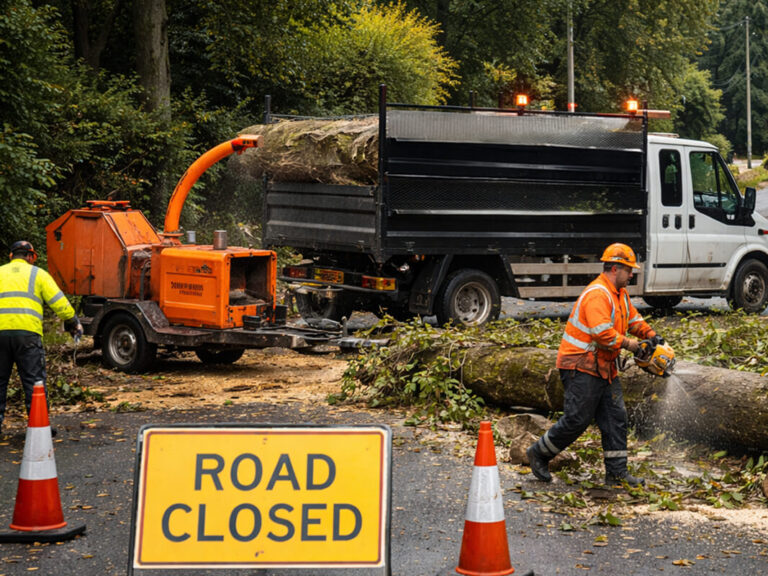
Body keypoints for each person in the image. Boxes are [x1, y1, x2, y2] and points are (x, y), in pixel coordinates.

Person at [526, 243, 660, 487]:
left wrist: (650, 335)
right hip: (580, 364)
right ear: (615, 268)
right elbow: (602, 334)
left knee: (615, 418)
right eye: (628, 270)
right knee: (578, 419)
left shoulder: (619, 293)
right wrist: (632, 345)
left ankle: (617, 473)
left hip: (604, 366)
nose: (632, 275)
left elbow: (632, 318)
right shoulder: (598, 294)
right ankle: (539, 453)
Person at [0, 240, 82, 432]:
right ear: (30, 257)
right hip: (28, 336)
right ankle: (38, 426)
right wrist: (72, 321)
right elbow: (58, 302)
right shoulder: (38, 275)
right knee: (33, 381)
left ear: (11, 256)